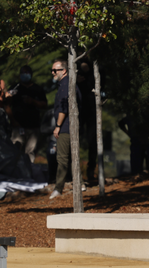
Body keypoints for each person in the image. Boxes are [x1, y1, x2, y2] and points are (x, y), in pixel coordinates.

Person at [49, 59, 84, 199]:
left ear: (63, 70)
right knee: (72, 156)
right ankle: (80, 184)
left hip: (65, 127)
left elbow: (64, 107)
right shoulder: (69, 84)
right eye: (52, 70)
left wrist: (58, 126)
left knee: (62, 158)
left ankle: (58, 189)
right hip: (71, 126)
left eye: (55, 70)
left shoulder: (65, 85)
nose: (52, 73)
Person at [8, 65, 48, 163]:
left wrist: (33, 101)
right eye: (23, 73)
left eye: (27, 73)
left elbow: (44, 104)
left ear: (31, 74)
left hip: (33, 127)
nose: (25, 75)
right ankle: (15, 174)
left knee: (31, 152)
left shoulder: (37, 89)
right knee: (15, 150)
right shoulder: (15, 88)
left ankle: (29, 174)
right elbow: (6, 104)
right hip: (17, 126)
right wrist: (12, 120)